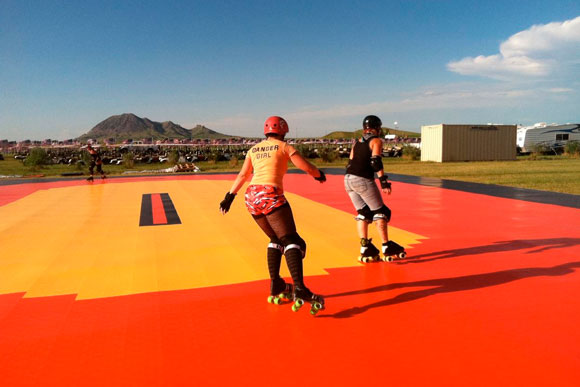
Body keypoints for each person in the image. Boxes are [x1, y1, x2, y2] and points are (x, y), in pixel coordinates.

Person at [219, 116, 326, 314]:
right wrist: (318, 174)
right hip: (269, 193)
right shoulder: (284, 147)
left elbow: (243, 175)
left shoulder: (254, 149)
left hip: (251, 196)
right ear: (284, 130)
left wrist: (229, 196)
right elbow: (305, 166)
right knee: (292, 240)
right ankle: (300, 288)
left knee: (275, 238)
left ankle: (276, 283)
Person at [344, 115, 406, 262]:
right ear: (377, 128)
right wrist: (383, 182)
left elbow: (350, 162)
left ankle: (365, 246)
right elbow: (375, 162)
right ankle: (386, 245)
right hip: (362, 180)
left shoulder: (356, 142)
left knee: (363, 213)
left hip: (347, 179)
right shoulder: (376, 141)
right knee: (381, 212)